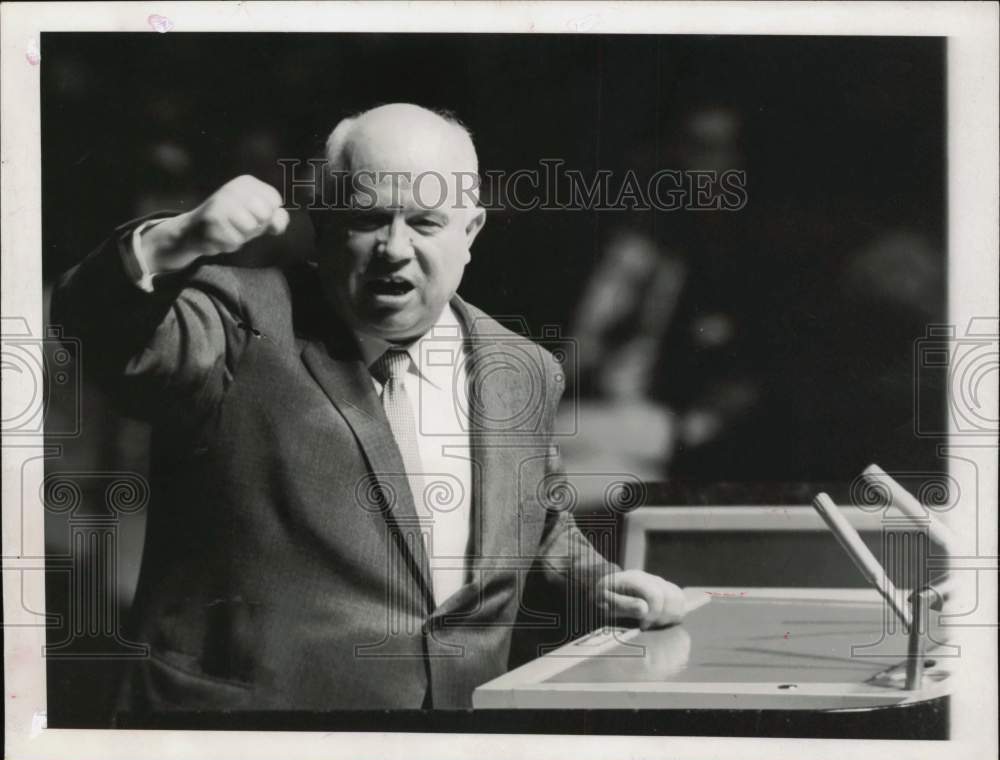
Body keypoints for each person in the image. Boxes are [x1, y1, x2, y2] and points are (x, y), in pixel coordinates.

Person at [52, 103, 687, 712]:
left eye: (426, 223)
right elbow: (101, 335)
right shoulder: (236, 320)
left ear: (471, 232)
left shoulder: (521, 367)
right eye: (366, 219)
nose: (393, 247)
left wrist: (598, 584)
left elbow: (536, 522)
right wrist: (173, 241)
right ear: (322, 226)